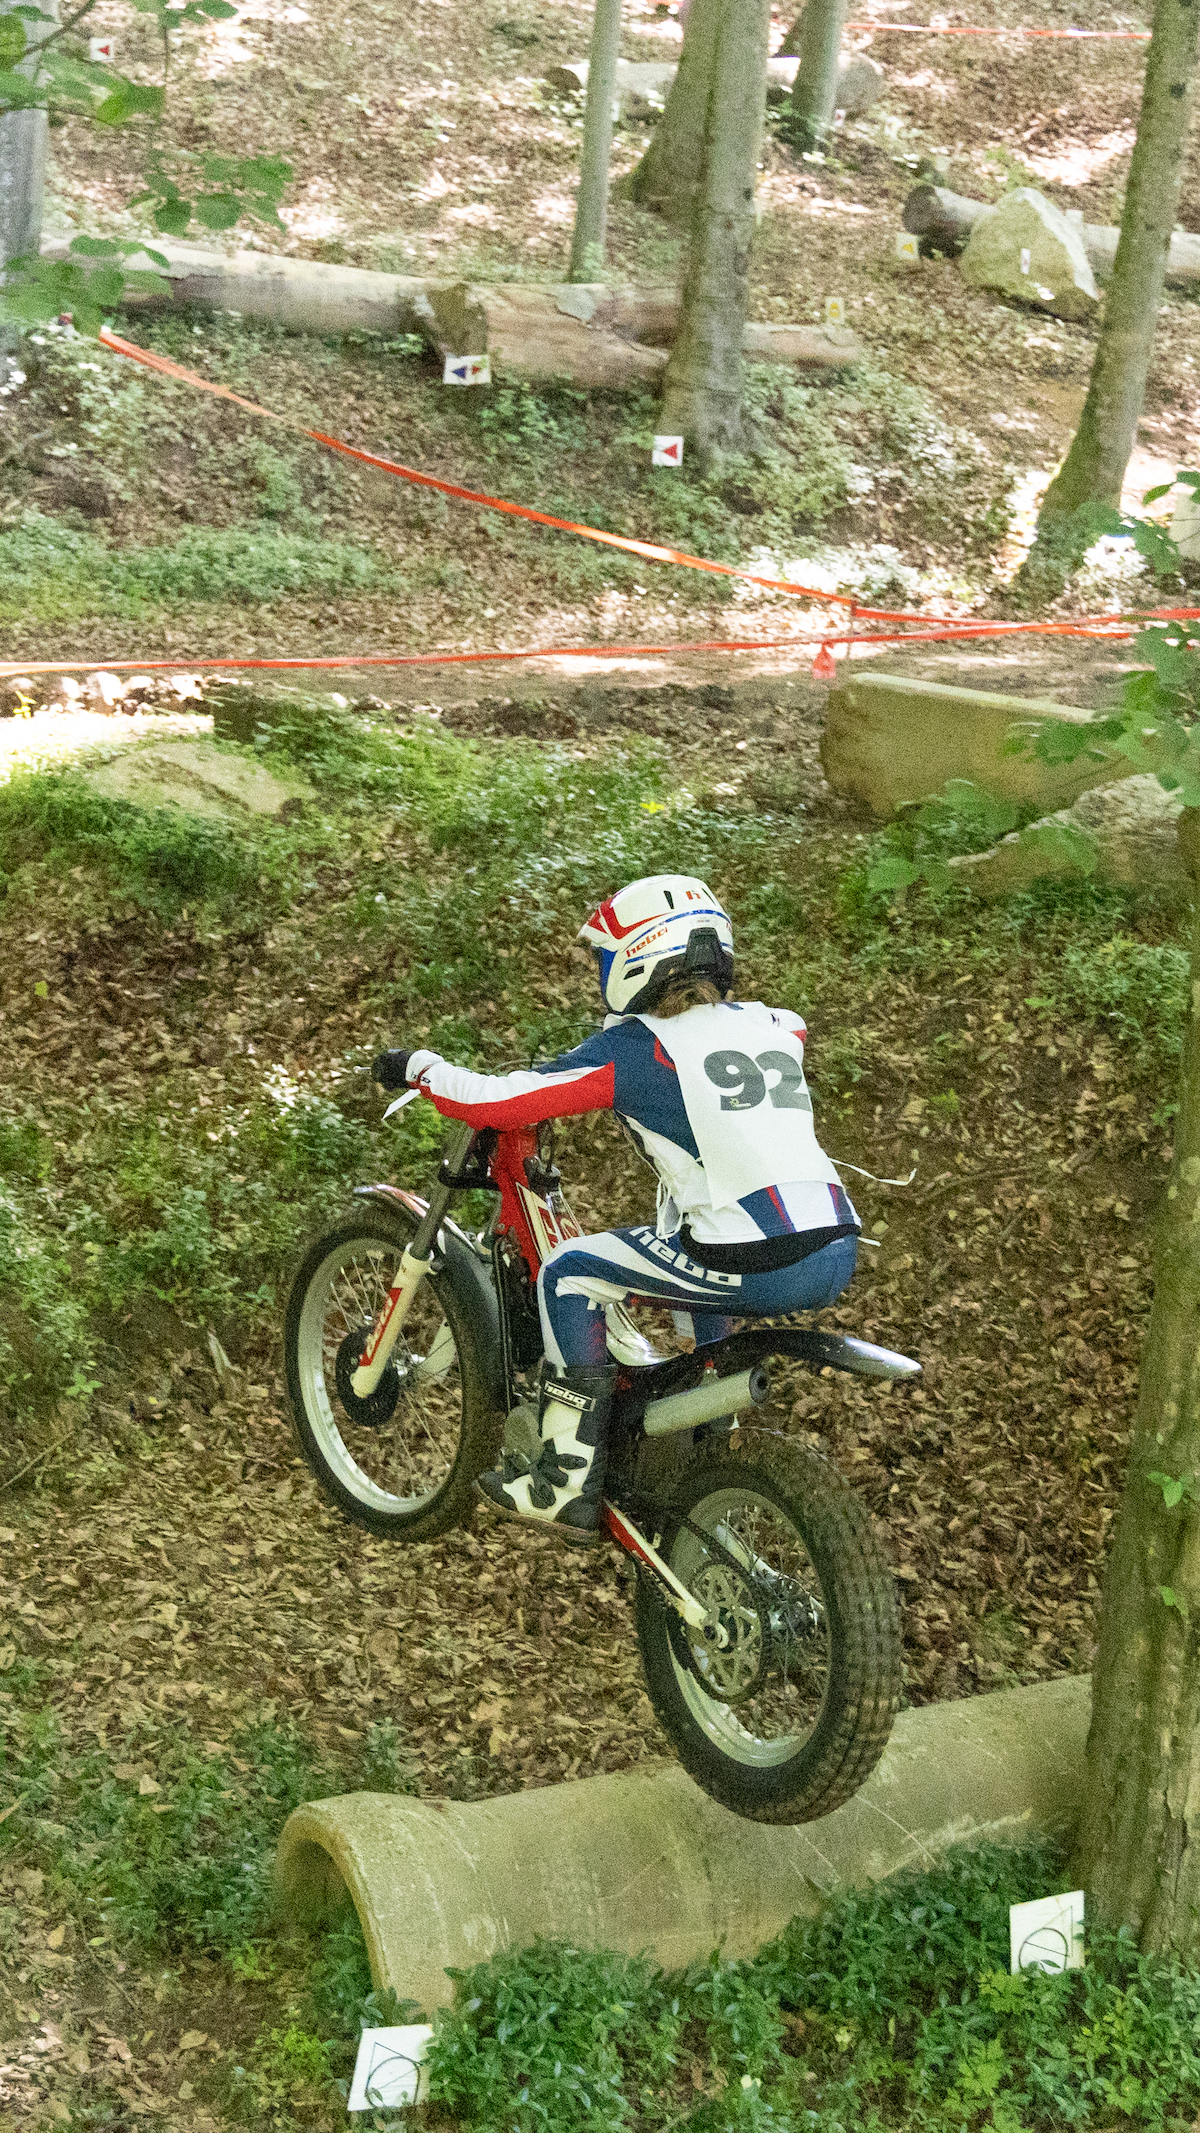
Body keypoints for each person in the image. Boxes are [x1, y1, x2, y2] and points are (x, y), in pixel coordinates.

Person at [372, 874, 858, 1547]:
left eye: (605, 958)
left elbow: (496, 1103)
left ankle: (562, 1479)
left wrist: (420, 1066)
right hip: (835, 1246)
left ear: (637, 959)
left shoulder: (637, 1051)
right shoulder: (777, 1025)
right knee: (695, 1225)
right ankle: (705, 1427)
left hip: (757, 1256)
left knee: (568, 1271)